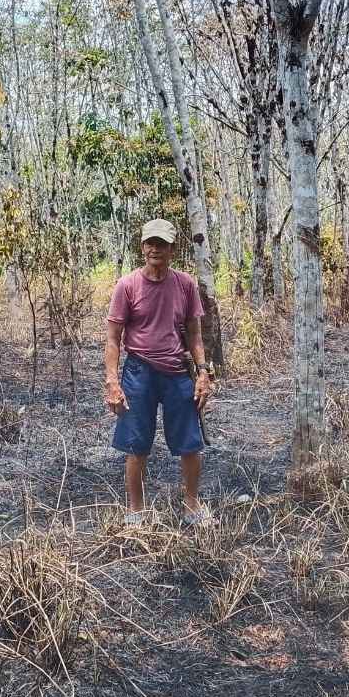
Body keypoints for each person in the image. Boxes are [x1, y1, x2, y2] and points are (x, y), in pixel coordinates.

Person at [105, 219, 215, 526]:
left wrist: (203, 373)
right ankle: (136, 512)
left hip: (177, 371)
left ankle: (192, 506)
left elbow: (194, 334)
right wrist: (112, 382)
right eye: (150, 243)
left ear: (172, 249)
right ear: (142, 247)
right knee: (136, 444)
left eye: (162, 244)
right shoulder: (127, 286)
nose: (156, 249)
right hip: (139, 372)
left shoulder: (185, 284)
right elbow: (113, 339)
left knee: (190, 442)